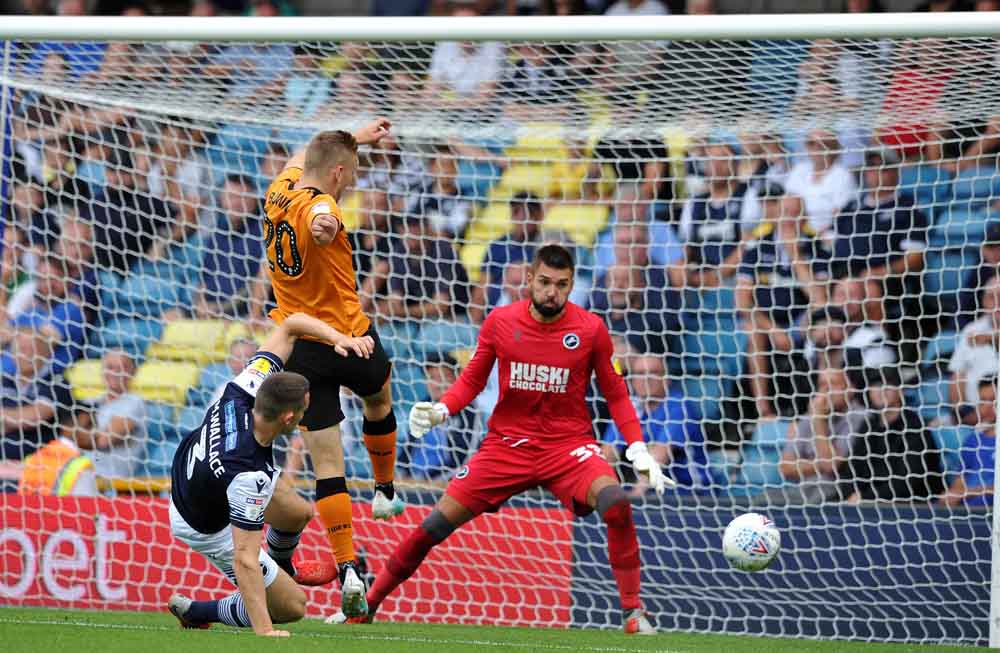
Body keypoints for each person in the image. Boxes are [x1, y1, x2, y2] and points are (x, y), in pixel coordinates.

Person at [334, 245, 671, 634]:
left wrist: (638, 446)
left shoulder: (590, 329)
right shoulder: (500, 321)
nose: (552, 292)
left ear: (571, 285)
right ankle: (369, 604)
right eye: (544, 282)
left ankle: (632, 614)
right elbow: (472, 380)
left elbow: (616, 394)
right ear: (529, 279)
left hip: (567, 447)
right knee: (433, 527)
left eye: (561, 285)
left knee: (616, 504)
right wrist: (442, 409)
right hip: (506, 446)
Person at [260, 119, 400, 617]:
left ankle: (347, 568)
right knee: (380, 395)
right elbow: (322, 218)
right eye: (354, 170)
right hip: (349, 340)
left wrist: (356, 136)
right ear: (338, 173)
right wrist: (324, 224)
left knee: (326, 465)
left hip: (301, 347)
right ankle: (384, 489)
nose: (355, 177)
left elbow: (305, 155)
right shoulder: (323, 206)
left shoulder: (280, 188)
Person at [166, 312, 375, 636]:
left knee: (298, 513)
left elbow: (290, 326)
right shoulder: (250, 475)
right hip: (202, 522)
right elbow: (244, 558)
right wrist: (265, 631)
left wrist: (339, 339)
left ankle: (282, 569)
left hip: (197, 473)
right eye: (305, 409)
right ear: (289, 417)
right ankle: (198, 611)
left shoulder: (242, 389)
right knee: (291, 607)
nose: (307, 415)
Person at [62, 349, 146, 478]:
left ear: (133, 372)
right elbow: (65, 436)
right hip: (79, 472)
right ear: (102, 371)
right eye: (110, 367)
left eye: (122, 367)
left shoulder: (134, 402)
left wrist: (78, 433)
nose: (116, 372)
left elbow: (103, 441)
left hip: (110, 478)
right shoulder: (91, 401)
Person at [942, 374, 996, 508]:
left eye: (994, 401)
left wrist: (968, 493)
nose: (987, 407)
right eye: (983, 401)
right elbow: (959, 483)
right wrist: (951, 496)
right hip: (964, 513)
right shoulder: (973, 441)